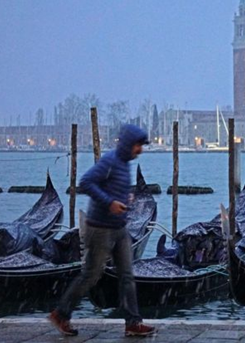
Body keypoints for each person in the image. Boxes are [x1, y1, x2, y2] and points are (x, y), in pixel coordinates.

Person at [49, 124, 156, 337]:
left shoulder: (125, 164)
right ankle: (61, 314)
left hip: (120, 228)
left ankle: (133, 323)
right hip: (100, 229)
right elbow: (86, 183)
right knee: (91, 275)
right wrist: (109, 203)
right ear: (128, 144)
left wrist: (125, 198)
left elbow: (112, 188)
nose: (140, 150)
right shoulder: (109, 161)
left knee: (127, 276)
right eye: (138, 145)